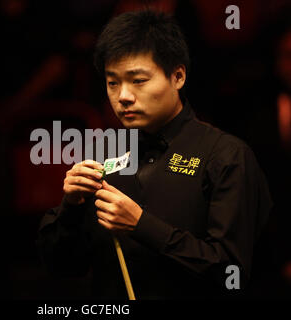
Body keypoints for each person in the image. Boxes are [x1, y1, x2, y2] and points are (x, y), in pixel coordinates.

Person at [37, 10, 273, 299]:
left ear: (177, 76)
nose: (123, 95)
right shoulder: (103, 153)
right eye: (113, 82)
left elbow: (232, 276)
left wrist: (142, 225)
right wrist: (70, 208)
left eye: (138, 80)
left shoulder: (226, 156)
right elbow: (64, 268)